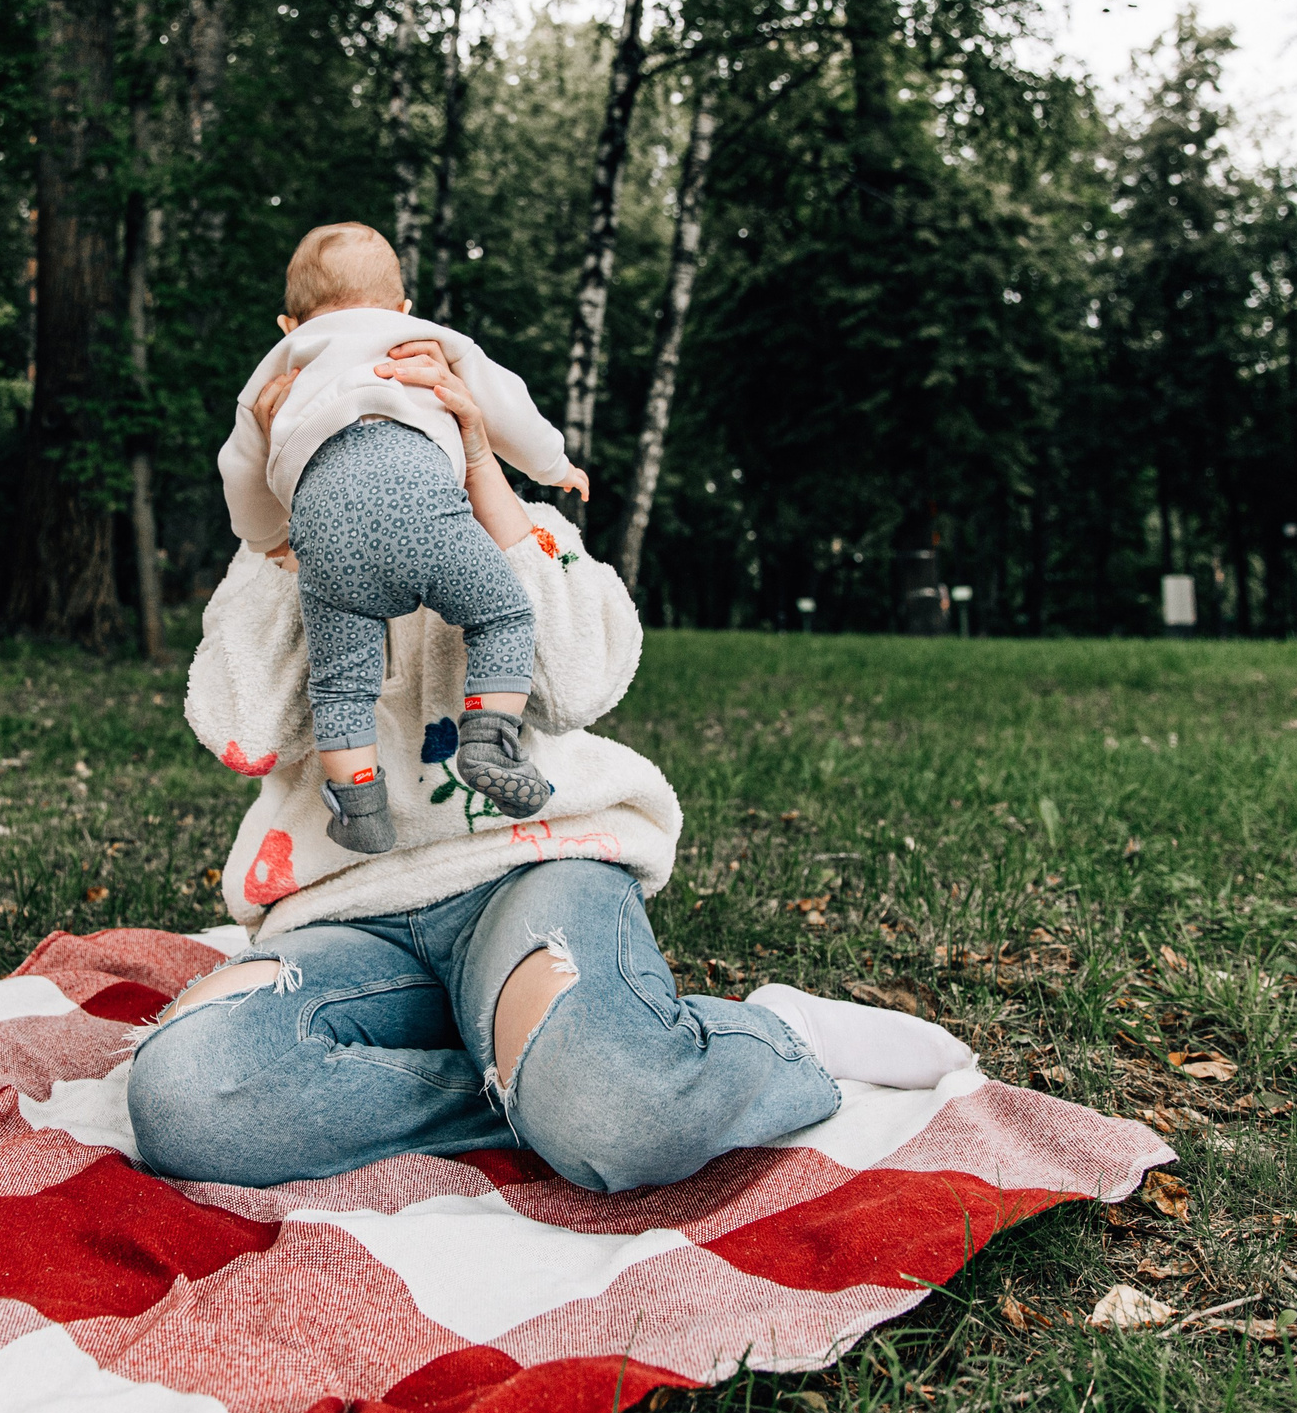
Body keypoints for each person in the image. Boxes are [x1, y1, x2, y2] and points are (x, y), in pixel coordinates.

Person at [132, 332, 975, 1194]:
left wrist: (482, 481)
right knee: (188, 1094)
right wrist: (288, 519)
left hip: (526, 875)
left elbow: (579, 682)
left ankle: (769, 1034)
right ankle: (531, 1083)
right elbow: (247, 730)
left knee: (626, 1106)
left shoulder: (517, 527)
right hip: (345, 917)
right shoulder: (281, 551)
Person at [218, 223, 586, 855]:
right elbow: (507, 406)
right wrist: (553, 464)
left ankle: (360, 805)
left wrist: (270, 538)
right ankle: (489, 738)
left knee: (339, 683)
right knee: (500, 614)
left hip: (325, 528)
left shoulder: (281, 365)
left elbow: (241, 469)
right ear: (400, 308)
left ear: (288, 322)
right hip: (423, 501)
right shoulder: (426, 341)